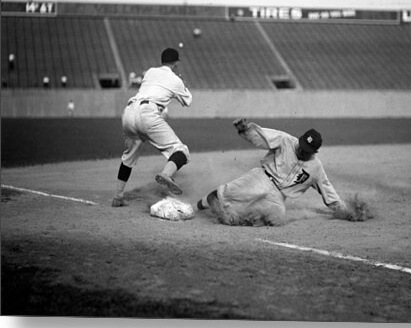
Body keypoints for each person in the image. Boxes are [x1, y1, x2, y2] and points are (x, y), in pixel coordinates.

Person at [196, 118, 348, 226]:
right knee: (233, 193)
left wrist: (345, 212)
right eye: (301, 145)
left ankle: (240, 219)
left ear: (315, 151)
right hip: (263, 178)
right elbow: (263, 136)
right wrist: (246, 129)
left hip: (278, 196)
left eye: (306, 150)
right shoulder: (285, 140)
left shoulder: (316, 168)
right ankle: (204, 203)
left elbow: (328, 192)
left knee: (278, 216)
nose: (301, 150)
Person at [112, 48, 192, 207]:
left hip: (129, 112)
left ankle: (118, 197)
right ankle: (166, 174)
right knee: (181, 151)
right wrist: (183, 84)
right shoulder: (175, 79)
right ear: (176, 63)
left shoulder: (150, 72)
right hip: (148, 114)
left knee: (128, 157)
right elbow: (187, 102)